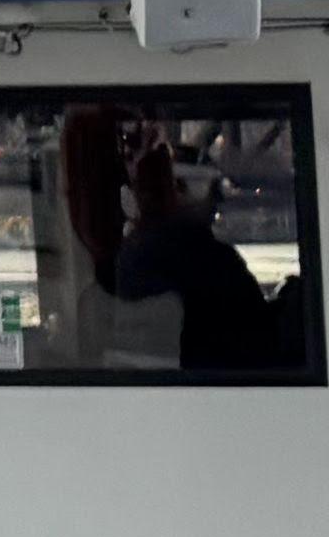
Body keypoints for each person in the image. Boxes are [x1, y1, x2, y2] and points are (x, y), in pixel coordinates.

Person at [102, 124, 286, 375]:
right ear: (176, 189)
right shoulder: (209, 260)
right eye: (208, 187)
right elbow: (258, 339)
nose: (217, 199)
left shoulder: (133, 253)